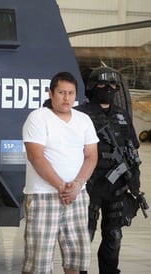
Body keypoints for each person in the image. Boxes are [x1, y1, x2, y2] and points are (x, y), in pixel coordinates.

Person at [21, 71, 99, 274]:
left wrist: (77, 184)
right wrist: (61, 187)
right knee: (38, 260)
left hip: (77, 196)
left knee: (76, 258)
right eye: (62, 92)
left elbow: (91, 156)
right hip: (43, 196)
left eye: (71, 93)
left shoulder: (83, 120)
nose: (66, 98)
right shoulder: (38, 117)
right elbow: (35, 156)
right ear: (51, 93)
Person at [75, 66, 147, 274]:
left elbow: (131, 149)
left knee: (114, 236)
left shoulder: (122, 116)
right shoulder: (80, 114)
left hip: (116, 186)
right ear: (92, 87)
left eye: (112, 85)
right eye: (102, 84)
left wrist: (134, 180)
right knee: (85, 236)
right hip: (89, 184)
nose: (108, 88)